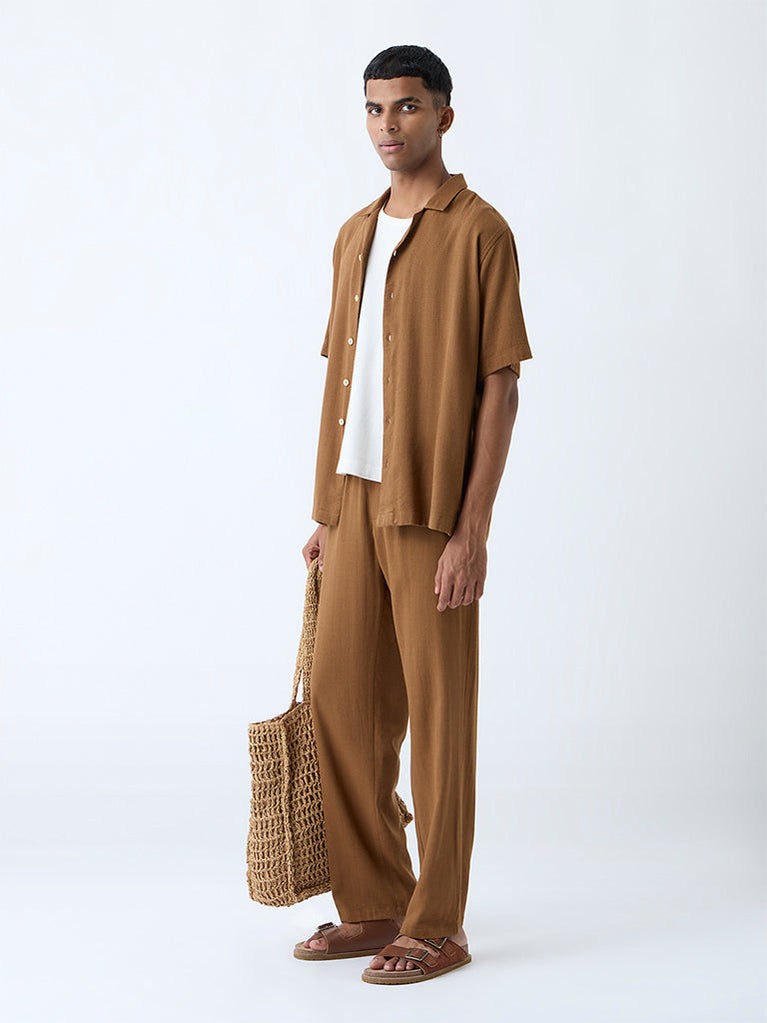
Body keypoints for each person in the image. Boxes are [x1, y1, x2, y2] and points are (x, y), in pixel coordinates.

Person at [296, 43, 532, 985]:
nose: (387, 125)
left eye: (405, 106)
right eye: (373, 108)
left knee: (437, 715)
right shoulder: (353, 234)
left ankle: (438, 924)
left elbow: (499, 387)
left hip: (431, 504)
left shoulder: (479, 232)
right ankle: (376, 900)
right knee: (339, 705)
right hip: (352, 504)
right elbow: (344, 385)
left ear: (443, 114)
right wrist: (326, 511)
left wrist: (473, 531)